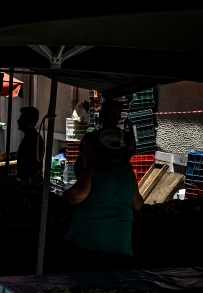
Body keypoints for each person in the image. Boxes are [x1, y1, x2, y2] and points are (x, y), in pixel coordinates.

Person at [62, 128, 144, 271]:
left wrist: (65, 194)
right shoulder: (128, 173)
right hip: (120, 245)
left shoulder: (92, 169)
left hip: (89, 243)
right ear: (121, 150)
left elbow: (77, 195)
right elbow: (137, 205)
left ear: (99, 148)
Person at [76, 98, 135, 175]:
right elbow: (79, 165)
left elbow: (126, 164)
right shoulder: (89, 139)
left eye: (114, 114)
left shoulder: (127, 138)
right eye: (107, 113)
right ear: (101, 115)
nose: (110, 118)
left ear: (119, 116)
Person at [16, 107, 44, 181]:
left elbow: (38, 166)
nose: (18, 121)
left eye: (22, 119)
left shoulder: (34, 139)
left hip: (30, 185)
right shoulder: (29, 138)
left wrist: (27, 180)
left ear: (31, 122)